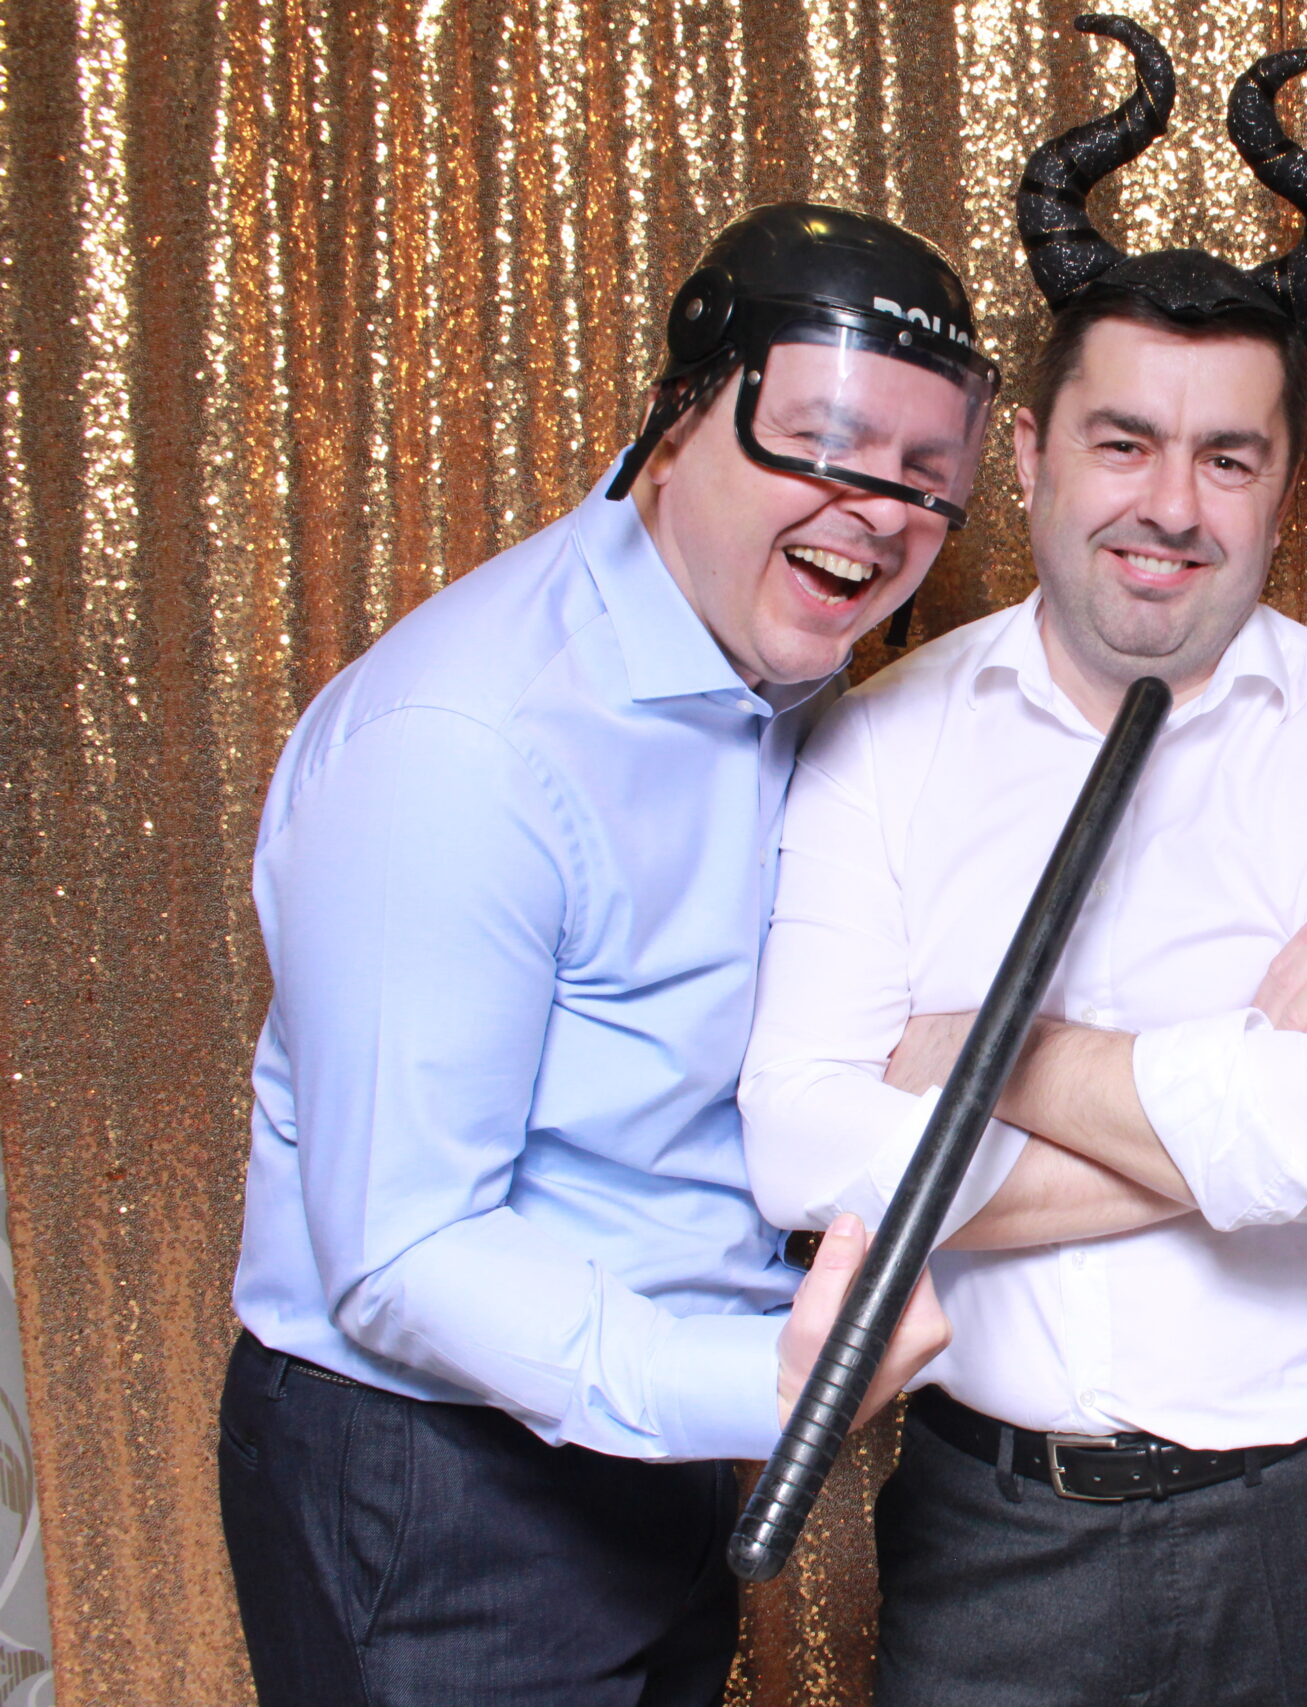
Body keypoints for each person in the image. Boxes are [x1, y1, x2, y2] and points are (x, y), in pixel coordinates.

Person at [739, 20, 1307, 1706]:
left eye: (1230, 457)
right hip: (992, 1532)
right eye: (1125, 441)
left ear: (1286, 487)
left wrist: (988, 1056)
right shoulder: (879, 742)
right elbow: (799, 1151)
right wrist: (1225, 1105)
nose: (1174, 505)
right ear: (1031, 455)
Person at [220, 203, 973, 1706]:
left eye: (924, 476)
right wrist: (755, 1388)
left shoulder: (792, 678)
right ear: (677, 419)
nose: (878, 511)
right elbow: (402, 1253)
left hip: (649, 1438)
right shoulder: (465, 746)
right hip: (437, 1479)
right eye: (821, 444)